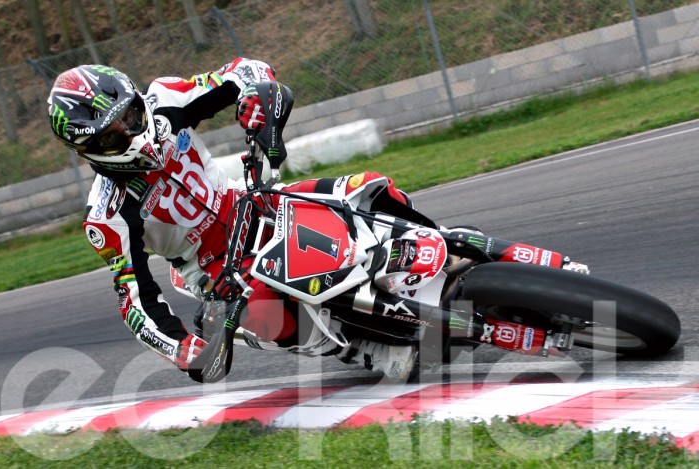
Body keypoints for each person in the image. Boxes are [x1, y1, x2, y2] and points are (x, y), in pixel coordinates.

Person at [47, 59, 421, 383]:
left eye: (128, 117)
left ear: (135, 101)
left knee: (372, 189)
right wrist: (182, 349)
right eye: (110, 137)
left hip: (254, 201)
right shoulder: (106, 215)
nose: (130, 134)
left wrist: (254, 101)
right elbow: (135, 303)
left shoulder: (166, 98)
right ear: (87, 149)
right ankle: (359, 349)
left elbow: (244, 70)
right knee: (264, 310)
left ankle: (436, 239)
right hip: (214, 266)